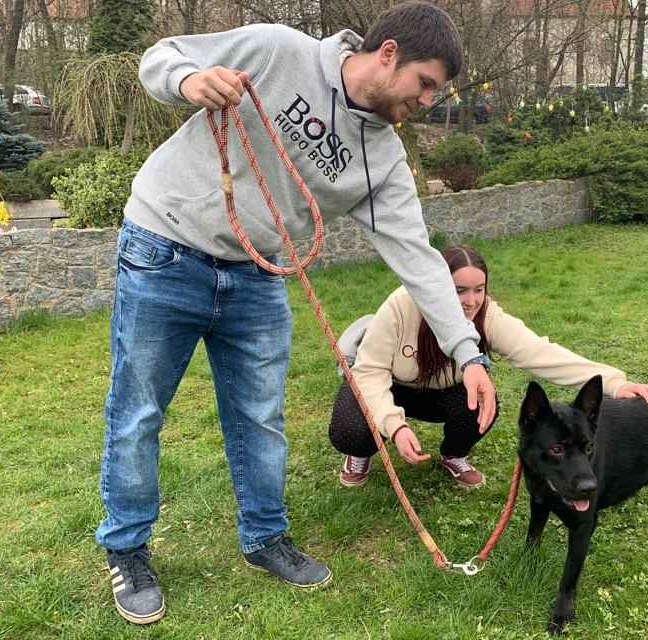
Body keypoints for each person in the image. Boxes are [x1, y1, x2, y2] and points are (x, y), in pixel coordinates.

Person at [95, 1, 499, 625]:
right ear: (387, 53)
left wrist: (468, 352)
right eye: (425, 84)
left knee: (260, 416)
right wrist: (189, 82)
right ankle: (126, 548)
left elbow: (420, 259)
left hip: (259, 273)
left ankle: (264, 539)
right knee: (139, 410)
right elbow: (160, 57)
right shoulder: (278, 50)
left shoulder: (384, 158)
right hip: (164, 246)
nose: (427, 101)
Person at [328, 245, 648, 490]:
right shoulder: (403, 304)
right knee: (352, 430)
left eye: (479, 289)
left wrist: (614, 382)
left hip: (441, 392)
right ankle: (359, 455)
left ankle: (453, 455)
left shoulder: (486, 314)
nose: (471, 300)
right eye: (459, 290)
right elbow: (369, 371)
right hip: (389, 385)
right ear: (435, 286)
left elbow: (538, 352)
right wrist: (395, 426)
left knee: (483, 405)